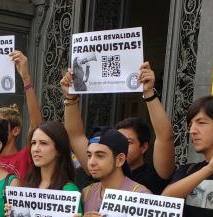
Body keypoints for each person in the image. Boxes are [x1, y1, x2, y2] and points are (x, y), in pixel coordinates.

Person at [61, 61, 175, 195]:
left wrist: (149, 92)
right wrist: (70, 97)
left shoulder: (155, 175)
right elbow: (75, 136)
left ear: (144, 147)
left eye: (128, 142)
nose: (93, 161)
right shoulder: (102, 167)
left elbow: (164, 137)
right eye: (116, 140)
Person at [0, 51, 43, 181]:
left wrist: (26, 78)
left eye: (0, 125)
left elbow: (36, 124)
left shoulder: (24, 156)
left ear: (16, 130)